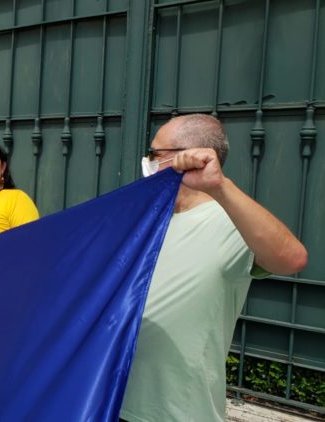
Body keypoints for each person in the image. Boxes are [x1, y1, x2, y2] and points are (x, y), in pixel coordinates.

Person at [119, 114, 308, 422]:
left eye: (156, 154)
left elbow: (291, 259)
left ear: (189, 157)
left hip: (178, 413)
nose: (148, 162)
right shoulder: (148, 220)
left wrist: (219, 187)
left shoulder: (229, 222)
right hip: (115, 401)